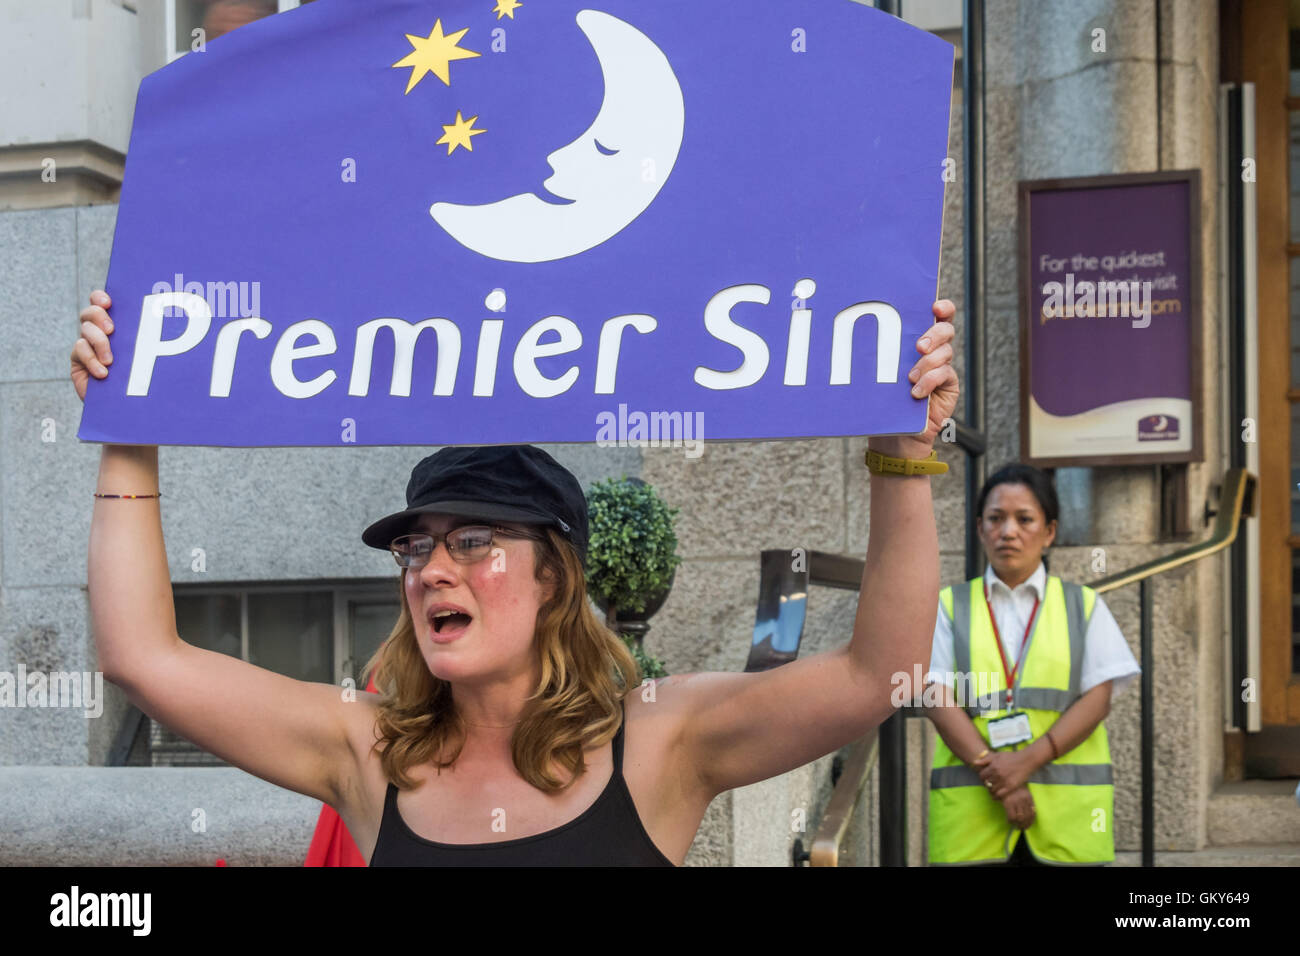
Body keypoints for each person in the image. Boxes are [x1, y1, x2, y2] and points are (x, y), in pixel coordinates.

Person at [72, 288, 959, 866]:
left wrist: (904, 457)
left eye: (473, 542)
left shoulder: (658, 741)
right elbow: (142, 656)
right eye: (418, 547)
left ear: (552, 582)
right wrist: (127, 427)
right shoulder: (369, 753)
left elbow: (876, 674)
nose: (431, 570)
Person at [923, 463, 1140, 866]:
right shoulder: (949, 606)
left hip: (1067, 818)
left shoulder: (1083, 605)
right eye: (996, 518)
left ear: (1050, 531)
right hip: (973, 817)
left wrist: (1023, 764)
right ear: (979, 528)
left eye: (1024, 519)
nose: (1008, 531)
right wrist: (1002, 782)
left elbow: (1099, 698)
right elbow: (937, 698)